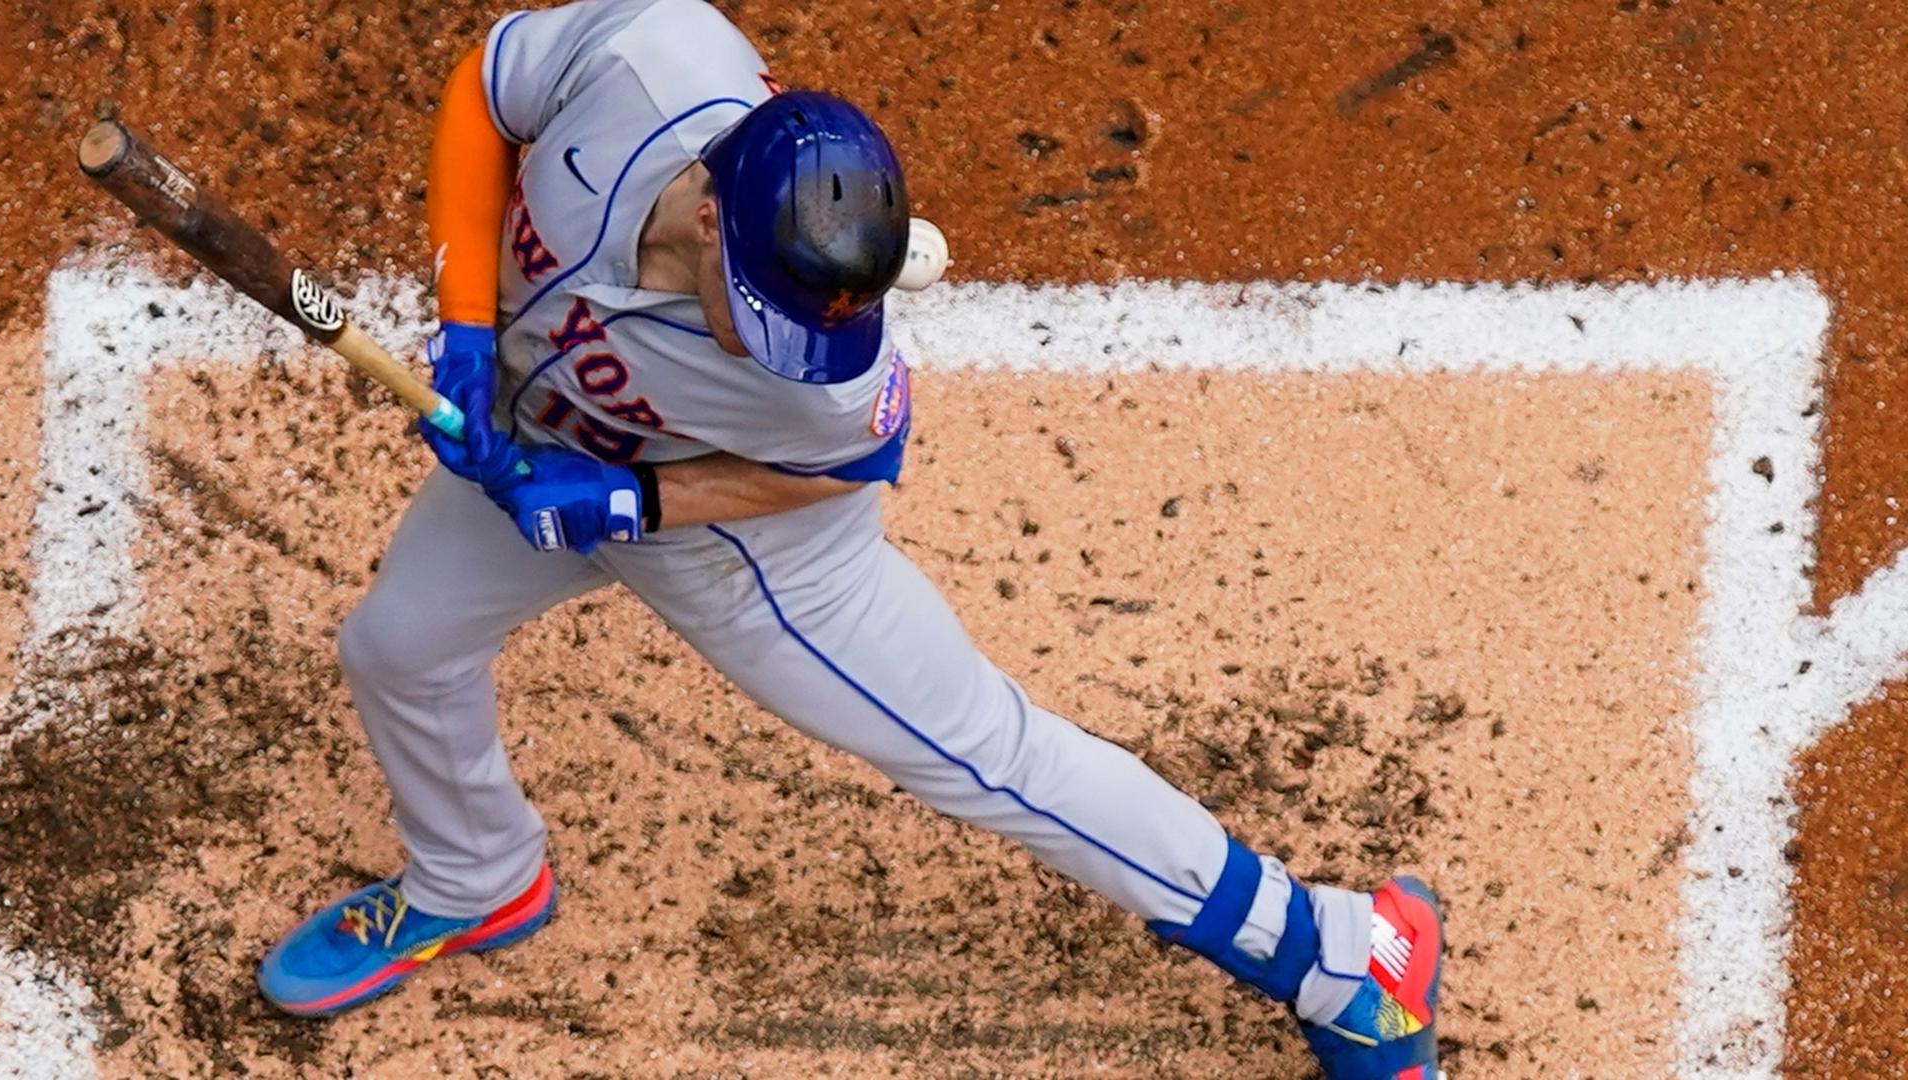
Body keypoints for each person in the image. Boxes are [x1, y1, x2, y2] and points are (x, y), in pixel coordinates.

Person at [253, 2, 1444, 1076]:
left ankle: (1346, 957)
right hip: (533, 452)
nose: (772, 347)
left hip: (748, 538)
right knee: (399, 647)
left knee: (983, 753)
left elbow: (840, 463)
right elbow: (487, 87)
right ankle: (479, 878)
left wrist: (636, 507)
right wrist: (468, 314)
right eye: (753, 309)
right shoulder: (652, 55)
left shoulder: (825, 383)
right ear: (712, 206)